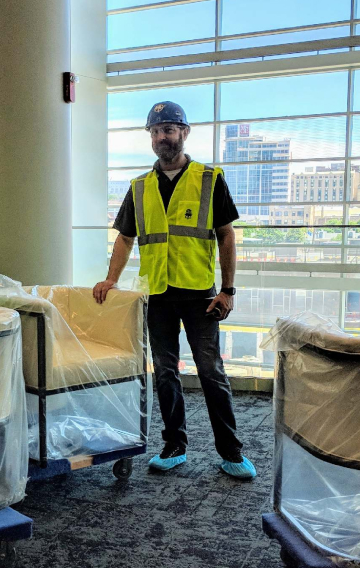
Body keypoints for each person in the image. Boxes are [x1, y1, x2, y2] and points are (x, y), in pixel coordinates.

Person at [93, 101, 255, 480]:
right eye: (155, 130)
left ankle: (231, 452)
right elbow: (125, 238)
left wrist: (228, 289)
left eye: (168, 129)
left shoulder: (208, 179)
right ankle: (174, 446)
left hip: (200, 293)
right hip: (158, 296)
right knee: (165, 372)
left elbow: (226, 236)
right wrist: (111, 278)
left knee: (211, 372)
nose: (161, 136)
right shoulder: (139, 187)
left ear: (184, 133)